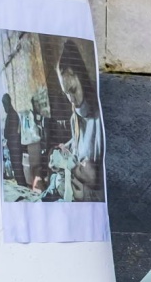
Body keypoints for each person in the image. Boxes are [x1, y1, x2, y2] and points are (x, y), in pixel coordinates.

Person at [44, 41, 105, 203]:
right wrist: (62, 151)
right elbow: (76, 148)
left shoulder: (101, 119)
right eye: (66, 94)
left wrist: (87, 195)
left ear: (82, 78)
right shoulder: (74, 119)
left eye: (73, 90)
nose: (72, 100)